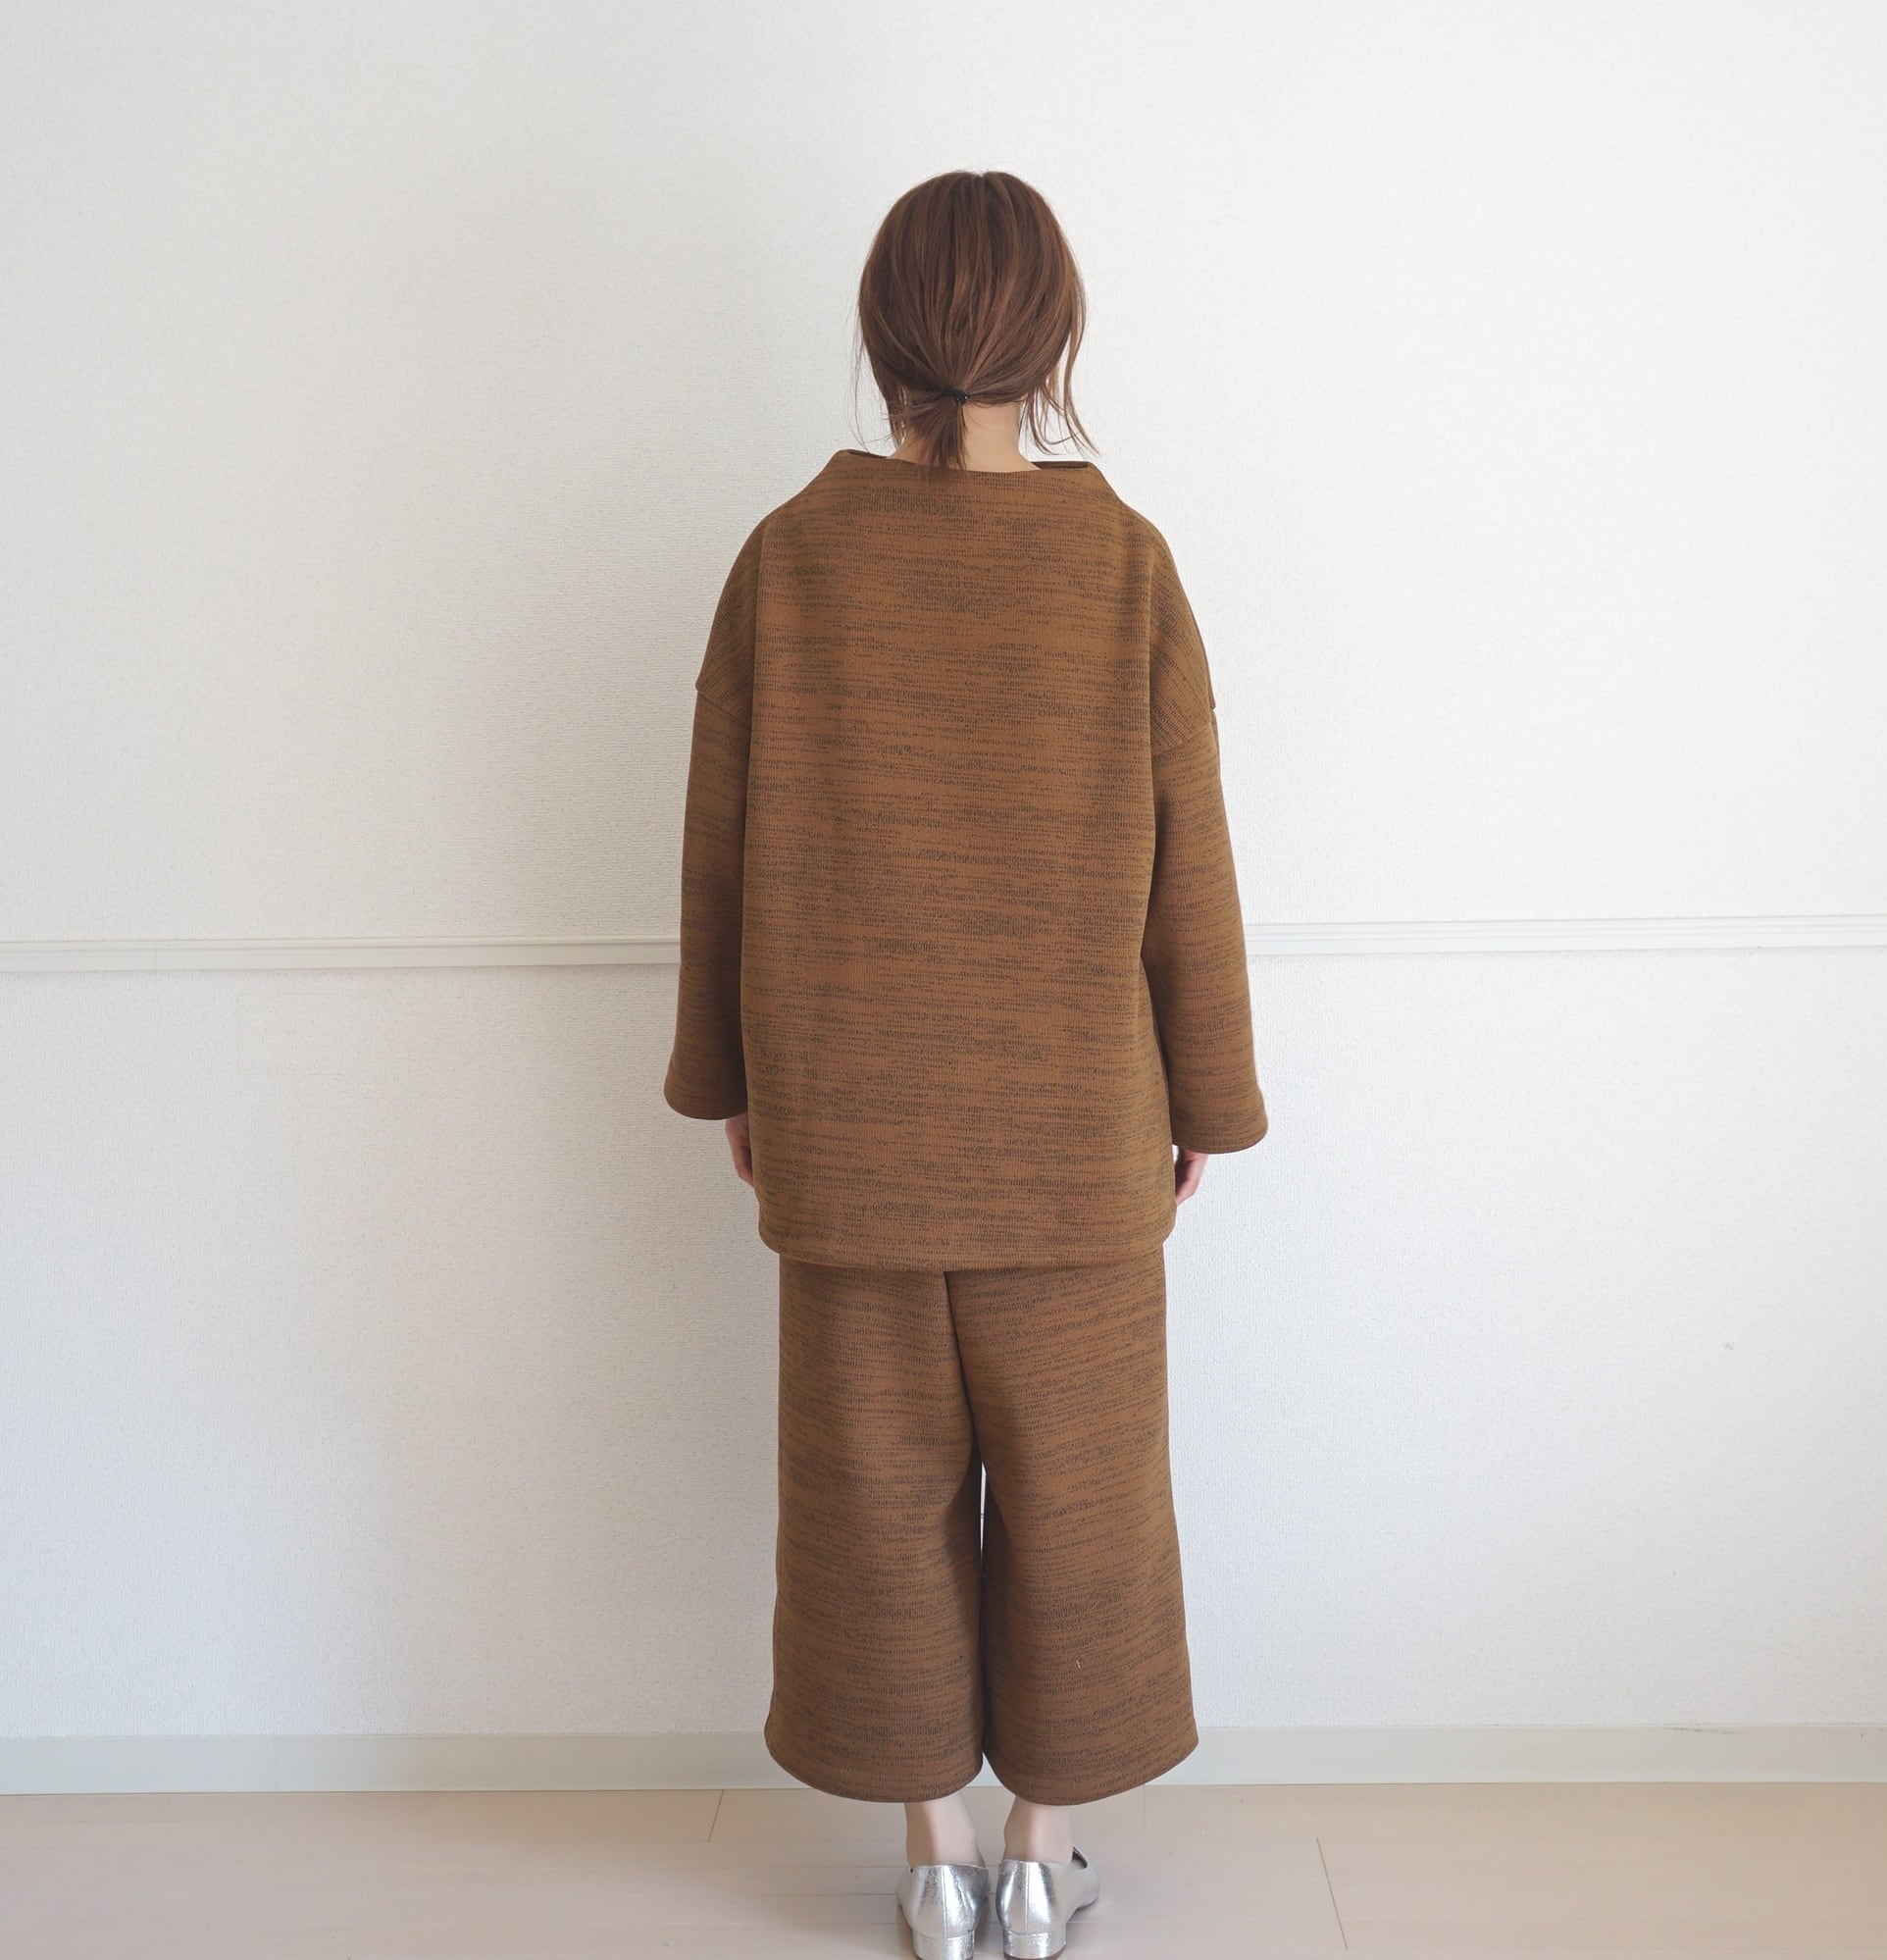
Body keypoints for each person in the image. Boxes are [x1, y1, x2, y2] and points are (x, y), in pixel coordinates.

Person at [663, 169, 1267, 1960]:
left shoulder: (789, 557)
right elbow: (1188, 864)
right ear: (1053, 336)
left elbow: (720, 853)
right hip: (1075, 1141)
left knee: (871, 1502)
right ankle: (1038, 1852)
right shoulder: (1121, 562)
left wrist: (733, 1081)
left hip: (850, 1135)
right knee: (1085, 1510)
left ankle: (931, 1860)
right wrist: (1206, 1099)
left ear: (882, 333)